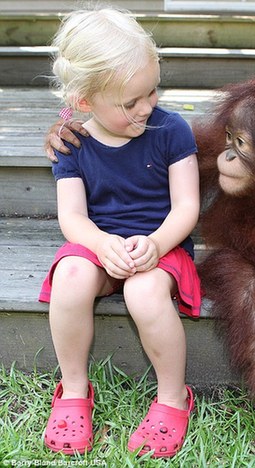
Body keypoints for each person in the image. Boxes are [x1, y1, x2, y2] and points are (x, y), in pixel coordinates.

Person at [39, 6, 201, 458]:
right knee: (70, 276)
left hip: (160, 246)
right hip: (99, 243)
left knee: (145, 294)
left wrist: (156, 244)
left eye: (152, 91)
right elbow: (72, 217)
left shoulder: (170, 130)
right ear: (86, 100)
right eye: (131, 102)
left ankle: (172, 398)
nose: (147, 106)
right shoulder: (72, 142)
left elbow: (187, 205)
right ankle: (73, 391)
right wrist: (98, 244)